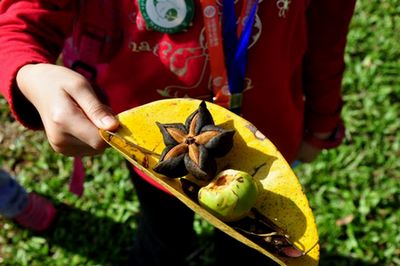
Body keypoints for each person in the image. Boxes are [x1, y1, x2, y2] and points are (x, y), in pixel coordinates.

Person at [0, 0, 356, 265]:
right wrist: (29, 73)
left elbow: (328, 29)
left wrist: (323, 121)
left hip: (265, 149)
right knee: (162, 230)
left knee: (252, 248)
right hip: (155, 152)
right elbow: (18, 21)